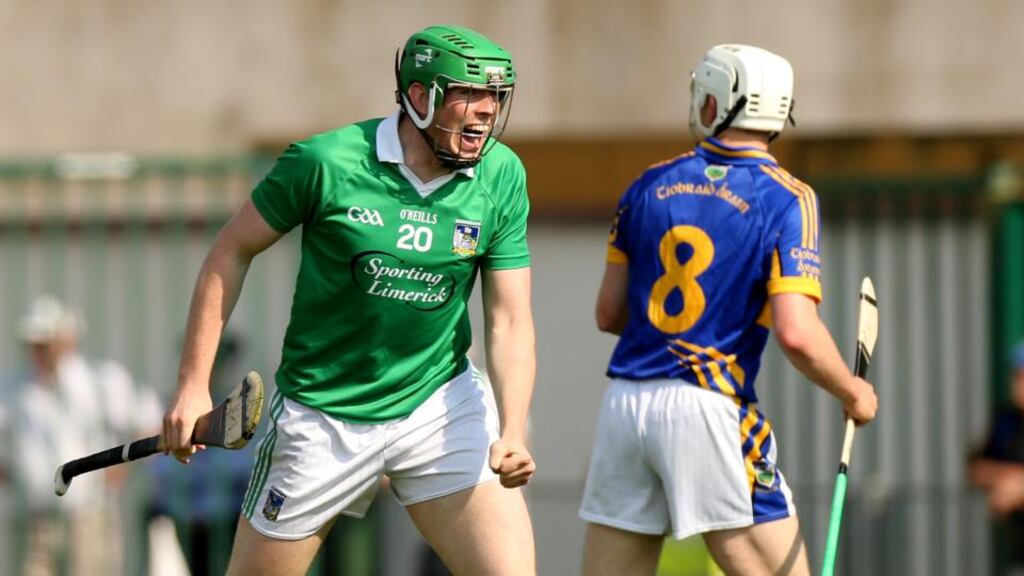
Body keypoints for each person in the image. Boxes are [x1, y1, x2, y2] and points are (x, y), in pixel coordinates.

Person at [162, 24, 537, 576]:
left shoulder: (501, 175)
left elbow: (509, 319)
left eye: (495, 97)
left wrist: (513, 429)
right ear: (419, 96)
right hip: (323, 416)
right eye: (468, 94)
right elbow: (229, 253)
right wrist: (193, 385)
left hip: (440, 405)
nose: (487, 111)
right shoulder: (326, 162)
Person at [578, 44, 879, 576]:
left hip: (625, 404)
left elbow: (609, 313)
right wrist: (851, 390)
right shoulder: (789, 198)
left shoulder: (647, 184)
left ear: (714, 103)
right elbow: (796, 332)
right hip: (708, 405)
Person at [968, 342, 1024, 573]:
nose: (1018, 384)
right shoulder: (1005, 421)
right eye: (1016, 376)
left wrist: (1019, 486)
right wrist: (1011, 481)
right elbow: (976, 468)